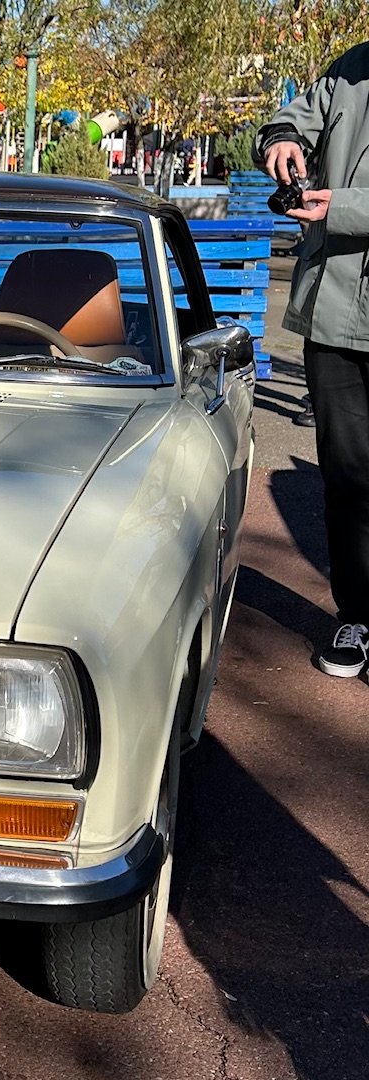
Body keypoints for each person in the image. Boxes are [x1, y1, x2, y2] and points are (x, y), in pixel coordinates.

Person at [254, 40, 369, 679]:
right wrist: (279, 141)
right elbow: (295, 117)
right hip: (335, 318)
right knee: (348, 481)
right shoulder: (349, 69)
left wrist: (345, 207)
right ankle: (356, 614)